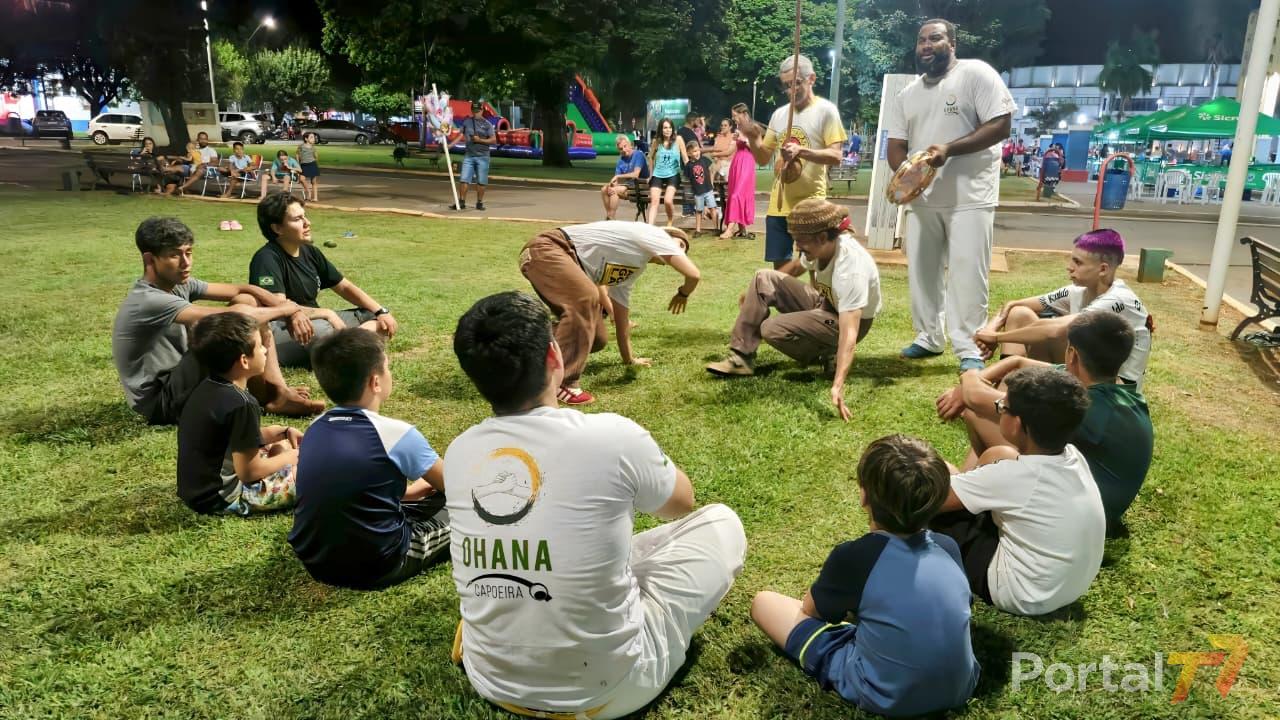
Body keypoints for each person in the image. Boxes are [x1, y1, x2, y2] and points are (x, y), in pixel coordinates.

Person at [445, 291, 746, 720]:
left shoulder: (459, 452)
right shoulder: (613, 436)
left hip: (492, 680)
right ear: (554, 355)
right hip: (610, 691)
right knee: (721, 522)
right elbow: (682, 504)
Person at [750, 434, 979, 717]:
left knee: (764, 602)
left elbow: (812, 611)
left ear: (864, 496)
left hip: (886, 695)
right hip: (961, 687)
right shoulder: (948, 547)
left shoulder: (856, 557)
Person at [937, 312, 1153, 535]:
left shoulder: (1088, 405)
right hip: (1088, 503)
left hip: (1077, 517)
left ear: (1072, 355)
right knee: (996, 415)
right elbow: (1017, 363)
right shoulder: (1111, 388)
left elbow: (976, 398)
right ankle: (966, 486)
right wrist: (969, 389)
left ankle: (964, 497)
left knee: (986, 427)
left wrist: (969, 377)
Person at [887, 19, 1016, 372]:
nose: (926, 45)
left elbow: (1000, 125)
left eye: (935, 38)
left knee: (967, 273)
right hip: (924, 198)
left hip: (970, 196)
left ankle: (970, 347)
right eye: (921, 40)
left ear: (952, 43)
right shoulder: (907, 94)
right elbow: (896, 145)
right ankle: (928, 337)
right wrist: (909, 176)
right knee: (922, 271)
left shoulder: (976, 74)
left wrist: (949, 149)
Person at [112, 217, 322, 425]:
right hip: (162, 403)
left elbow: (244, 290)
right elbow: (239, 317)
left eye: (188, 252)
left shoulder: (177, 283)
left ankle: (275, 393)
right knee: (237, 322)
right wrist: (287, 308)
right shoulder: (148, 300)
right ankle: (275, 396)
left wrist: (291, 312)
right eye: (174, 255)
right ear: (150, 260)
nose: (186, 263)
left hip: (181, 380)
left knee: (246, 301)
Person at [930, 366, 1105, 616]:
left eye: (1003, 408)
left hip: (1020, 593)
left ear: (1018, 423)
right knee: (998, 455)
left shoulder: (1015, 478)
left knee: (933, 490)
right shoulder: (1073, 456)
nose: (999, 409)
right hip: (1066, 587)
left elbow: (931, 497)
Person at [288, 328, 450, 590]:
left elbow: (345, 487)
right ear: (375, 382)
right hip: (377, 565)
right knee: (470, 510)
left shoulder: (317, 427)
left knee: (427, 497)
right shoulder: (397, 434)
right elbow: (457, 488)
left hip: (314, 559)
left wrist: (408, 493)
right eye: (387, 367)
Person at [706, 199, 881, 422]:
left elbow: (849, 333)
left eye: (801, 241)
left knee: (771, 328)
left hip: (844, 322)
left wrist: (838, 385)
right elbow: (797, 267)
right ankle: (741, 358)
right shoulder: (821, 244)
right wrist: (755, 291)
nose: (798, 247)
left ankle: (827, 354)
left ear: (821, 238)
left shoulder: (851, 268)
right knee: (764, 277)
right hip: (825, 303)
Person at [519, 221, 699, 405]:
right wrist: (683, 293)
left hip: (555, 258)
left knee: (597, 338)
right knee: (586, 297)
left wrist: (630, 359)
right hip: (547, 249)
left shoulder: (632, 269)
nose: (680, 250)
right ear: (665, 237)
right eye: (679, 244)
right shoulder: (653, 234)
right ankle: (563, 382)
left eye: (684, 249)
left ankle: (517, 341)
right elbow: (693, 275)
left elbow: (621, 321)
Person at [974, 228, 1150, 387]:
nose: (1070, 267)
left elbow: (1056, 330)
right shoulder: (1078, 291)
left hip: (1116, 388)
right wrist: (991, 328)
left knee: (1054, 333)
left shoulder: (1118, 298)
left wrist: (997, 337)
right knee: (1020, 314)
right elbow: (1014, 305)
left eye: (1078, 262)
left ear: (1102, 269)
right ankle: (1009, 388)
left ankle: (1007, 394)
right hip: (1087, 371)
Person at [249, 192, 398, 367]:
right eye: (297, 219)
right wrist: (327, 313)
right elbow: (280, 308)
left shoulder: (310, 252)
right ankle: (351, 348)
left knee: (373, 315)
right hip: (284, 328)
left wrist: (381, 311)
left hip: (317, 321)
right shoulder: (267, 258)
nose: (307, 223)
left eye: (305, 216)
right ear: (277, 228)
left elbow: (343, 286)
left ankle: (347, 347)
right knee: (324, 331)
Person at [176, 312, 302, 516]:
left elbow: (232, 436)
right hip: (223, 497)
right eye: (260, 345)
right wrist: (295, 456)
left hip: (198, 492)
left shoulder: (207, 388)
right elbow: (249, 472)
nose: (265, 349)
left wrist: (282, 431)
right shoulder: (242, 403)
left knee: (282, 445)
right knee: (311, 473)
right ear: (244, 361)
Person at [734, 55, 846, 269]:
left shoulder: (826, 111)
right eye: (786, 86)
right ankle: (786, 303)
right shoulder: (779, 115)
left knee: (816, 268)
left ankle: (816, 303)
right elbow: (764, 157)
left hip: (811, 203)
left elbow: (836, 156)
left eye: (796, 83)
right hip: (779, 204)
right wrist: (753, 138)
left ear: (811, 78)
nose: (790, 91)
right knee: (781, 271)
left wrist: (801, 150)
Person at [721, 103, 758, 240]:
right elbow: (731, 149)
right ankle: (742, 229)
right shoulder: (738, 128)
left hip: (747, 163)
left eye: (734, 116)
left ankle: (730, 228)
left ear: (743, 114)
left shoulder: (753, 127)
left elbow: (757, 149)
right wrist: (714, 153)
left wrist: (744, 140)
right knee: (735, 193)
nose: (733, 118)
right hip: (737, 162)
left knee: (738, 194)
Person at [646, 118, 689, 225]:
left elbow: (685, 158)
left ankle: (670, 221)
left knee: (668, 200)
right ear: (661, 129)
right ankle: (650, 227)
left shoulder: (678, 139)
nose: (668, 130)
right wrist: (651, 174)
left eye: (670, 127)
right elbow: (650, 157)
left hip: (673, 174)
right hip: (658, 174)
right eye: (665, 128)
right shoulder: (656, 141)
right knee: (654, 202)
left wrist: (690, 172)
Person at [457, 100, 496, 211]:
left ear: (482, 110)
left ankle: (479, 202)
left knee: (481, 181)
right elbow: (460, 135)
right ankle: (461, 201)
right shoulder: (467, 122)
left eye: (478, 111)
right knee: (464, 179)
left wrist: (480, 140)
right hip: (469, 155)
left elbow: (493, 140)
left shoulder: (487, 124)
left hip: (483, 156)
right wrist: (450, 145)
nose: (476, 113)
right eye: (474, 111)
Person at [601, 134, 649, 220]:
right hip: (628, 187)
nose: (623, 150)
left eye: (625, 146)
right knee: (604, 189)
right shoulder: (621, 161)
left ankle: (610, 218)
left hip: (640, 187)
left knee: (614, 191)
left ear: (630, 144)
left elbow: (635, 174)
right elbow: (616, 180)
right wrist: (611, 184)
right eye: (620, 149)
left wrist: (618, 177)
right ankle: (610, 217)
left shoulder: (638, 155)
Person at [684, 141, 720, 235]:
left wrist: (712, 180)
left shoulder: (704, 159)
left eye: (697, 150)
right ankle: (698, 230)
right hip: (697, 192)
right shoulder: (688, 165)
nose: (696, 153)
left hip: (708, 189)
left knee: (712, 208)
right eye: (694, 151)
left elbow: (712, 169)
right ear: (688, 153)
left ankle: (716, 228)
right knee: (699, 210)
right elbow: (688, 178)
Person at [677, 112, 701, 217]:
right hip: (690, 165)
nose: (698, 122)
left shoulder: (680, 131)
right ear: (692, 120)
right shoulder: (689, 133)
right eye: (697, 120)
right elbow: (696, 150)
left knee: (687, 187)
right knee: (690, 187)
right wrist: (715, 149)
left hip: (683, 165)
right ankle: (688, 210)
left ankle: (688, 210)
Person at [709, 117, 736, 181]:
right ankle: (711, 189)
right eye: (722, 125)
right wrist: (716, 159)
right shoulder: (718, 137)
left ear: (730, 127)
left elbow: (728, 152)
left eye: (725, 125)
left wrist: (716, 155)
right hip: (718, 163)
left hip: (729, 163)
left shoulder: (734, 137)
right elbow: (714, 151)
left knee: (723, 175)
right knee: (712, 170)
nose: (723, 127)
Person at [296, 131, 320, 201]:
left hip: (312, 164)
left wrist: (315, 160)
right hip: (304, 165)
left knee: (314, 182)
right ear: (306, 139)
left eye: (314, 138)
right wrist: (298, 164)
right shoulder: (301, 146)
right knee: (301, 179)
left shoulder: (313, 147)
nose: (314, 139)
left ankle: (315, 198)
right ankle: (308, 192)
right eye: (311, 137)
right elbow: (297, 154)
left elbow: (316, 156)